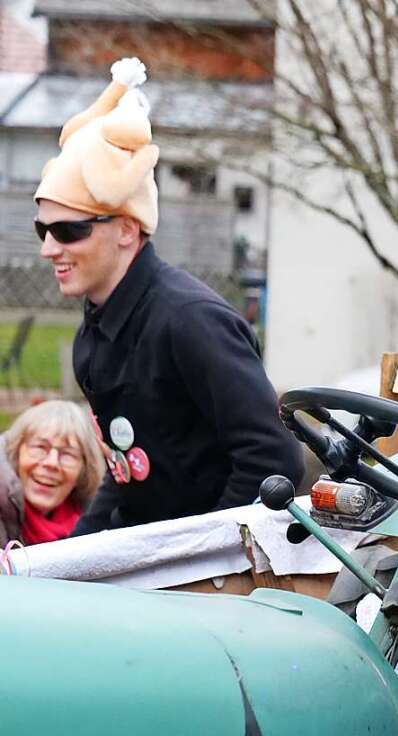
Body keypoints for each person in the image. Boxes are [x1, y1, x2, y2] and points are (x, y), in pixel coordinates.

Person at [32, 57, 303, 534]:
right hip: (154, 556)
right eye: (42, 229)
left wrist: (202, 559)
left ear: (126, 230)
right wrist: (60, 559)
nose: (49, 247)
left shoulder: (190, 320)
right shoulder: (94, 333)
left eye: (68, 230)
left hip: (210, 575)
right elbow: (128, 469)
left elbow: (273, 459)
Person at [0, 400, 105, 547]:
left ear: (84, 469)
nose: (52, 463)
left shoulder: (97, 522)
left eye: (68, 454)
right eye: (40, 447)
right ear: (16, 452)